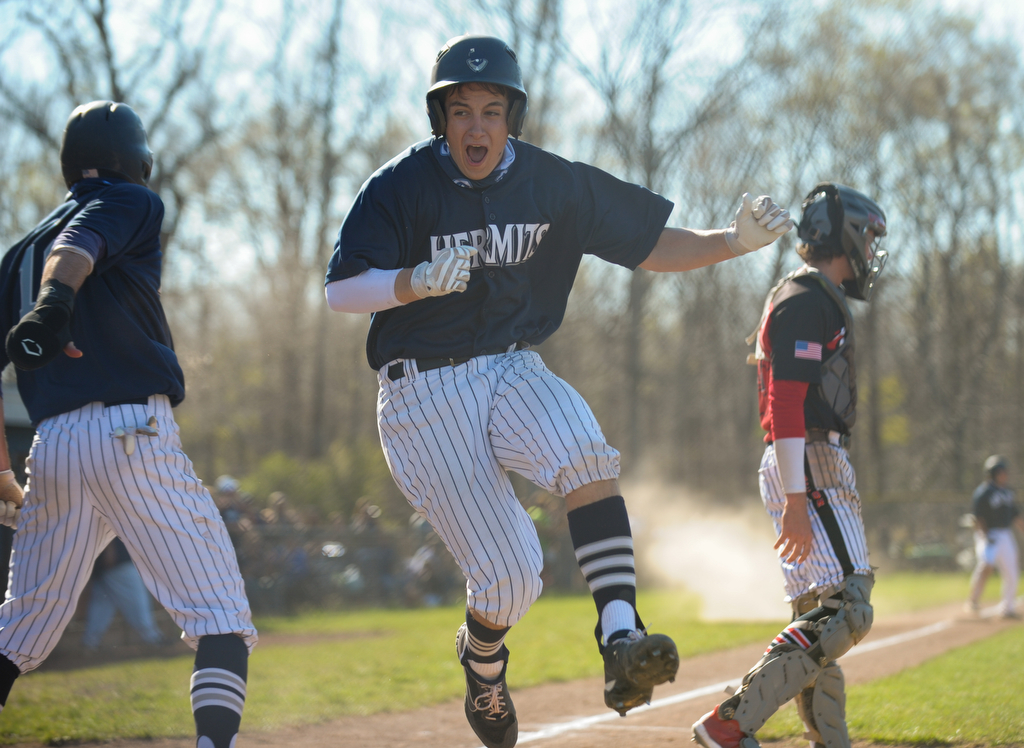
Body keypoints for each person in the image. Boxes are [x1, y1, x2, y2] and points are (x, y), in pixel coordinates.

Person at [324, 33, 793, 748]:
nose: (475, 126)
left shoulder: (554, 182)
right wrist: (410, 283)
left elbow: (650, 245)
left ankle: (619, 635)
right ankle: (482, 665)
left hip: (509, 365)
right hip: (421, 394)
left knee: (584, 451)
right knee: (512, 578)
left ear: (512, 115)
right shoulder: (401, 185)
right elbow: (338, 291)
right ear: (439, 119)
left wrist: (731, 240)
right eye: (459, 111)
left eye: (490, 109)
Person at [0, 101, 255, 748]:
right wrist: (57, 302)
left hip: (52, 448)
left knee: (19, 632)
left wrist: (3, 472)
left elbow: (60, 246)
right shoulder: (134, 201)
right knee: (221, 619)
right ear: (136, 161)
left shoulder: (14, 256)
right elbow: (78, 245)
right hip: (129, 435)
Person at [692, 183, 887, 748]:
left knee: (817, 614)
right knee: (849, 606)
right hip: (809, 459)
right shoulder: (808, 298)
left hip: (803, 459)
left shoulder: (809, 294)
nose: (871, 252)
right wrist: (798, 496)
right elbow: (786, 400)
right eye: (868, 238)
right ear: (845, 234)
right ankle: (731, 722)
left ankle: (829, 739)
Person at [82, 538, 167, 651]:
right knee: (136, 601)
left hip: (104, 564)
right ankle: (153, 637)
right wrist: (110, 551)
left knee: (102, 605)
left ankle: (90, 642)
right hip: (118, 561)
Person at [966, 455, 1023, 618]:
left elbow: (1015, 516)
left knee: (1012, 571)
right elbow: (977, 517)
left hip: (1005, 534)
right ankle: (973, 600)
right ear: (992, 473)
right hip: (988, 534)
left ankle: (1008, 608)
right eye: (1001, 471)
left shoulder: (1007, 492)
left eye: (1005, 471)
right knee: (987, 564)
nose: (1004, 474)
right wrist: (984, 535)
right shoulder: (983, 493)